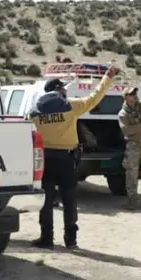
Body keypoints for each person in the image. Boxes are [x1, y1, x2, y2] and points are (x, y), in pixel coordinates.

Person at [28, 65, 119, 249]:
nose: (64, 90)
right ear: (57, 90)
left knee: (45, 200)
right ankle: (70, 239)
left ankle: (46, 238)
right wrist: (107, 79)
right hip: (67, 159)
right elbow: (95, 98)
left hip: (45, 159)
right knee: (69, 200)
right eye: (62, 87)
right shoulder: (71, 106)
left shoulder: (35, 112)